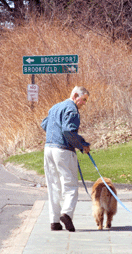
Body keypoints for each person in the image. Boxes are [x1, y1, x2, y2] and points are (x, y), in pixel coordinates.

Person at [41, 86, 90, 232]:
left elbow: (44, 124)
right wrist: (82, 145)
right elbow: (68, 130)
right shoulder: (72, 109)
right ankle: (67, 214)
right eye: (83, 100)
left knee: (53, 185)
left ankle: (54, 222)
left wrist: (55, 133)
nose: (84, 104)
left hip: (48, 149)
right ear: (75, 95)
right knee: (70, 185)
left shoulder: (55, 107)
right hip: (63, 150)